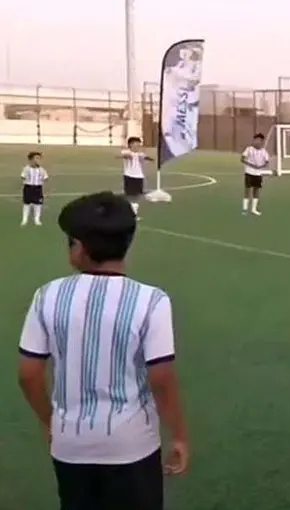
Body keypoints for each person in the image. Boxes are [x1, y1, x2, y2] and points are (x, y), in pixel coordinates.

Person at [17, 191, 190, 510]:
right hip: (133, 444)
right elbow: (162, 377)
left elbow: (29, 373)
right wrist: (179, 435)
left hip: (70, 444)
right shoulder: (151, 300)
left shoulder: (47, 296)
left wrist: (51, 421)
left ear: (79, 249)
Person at [119, 137, 153, 220]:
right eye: (135, 145)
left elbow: (148, 158)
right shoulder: (127, 152)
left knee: (137, 195)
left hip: (139, 176)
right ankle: (127, 212)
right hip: (129, 176)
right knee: (130, 195)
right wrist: (128, 156)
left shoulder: (140, 154)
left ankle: (133, 213)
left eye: (138, 145)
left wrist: (147, 158)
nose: (137, 147)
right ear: (130, 145)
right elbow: (122, 156)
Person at [241, 133, 270, 216]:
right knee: (247, 190)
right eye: (255, 140)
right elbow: (242, 159)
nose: (256, 142)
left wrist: (261, 166)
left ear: (262, 141)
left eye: (259, 140)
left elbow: (267, 162)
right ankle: (245, 209)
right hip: (249, 172)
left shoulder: (264, 151)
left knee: (256, 190)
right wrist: (251, 165)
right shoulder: (249, 149)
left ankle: (254, 209)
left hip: (258, 174)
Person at [21, 151, 48, 227]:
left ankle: (37, 219)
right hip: (28, 187)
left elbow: (45, 179)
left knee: (38, 204)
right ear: (31, 160)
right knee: (27, 203)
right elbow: (23, 177)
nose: (38, 160)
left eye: (39, 158)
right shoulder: (26, 169)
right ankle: (25, 219)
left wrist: (45, 191)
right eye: (36, 158)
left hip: (38, 188)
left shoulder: (42, 170)